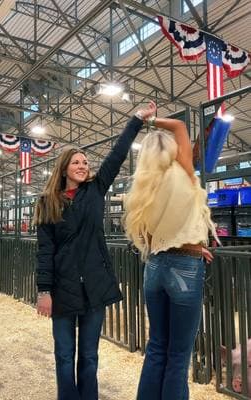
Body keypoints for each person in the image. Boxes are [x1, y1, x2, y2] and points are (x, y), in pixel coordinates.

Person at [33, 101, 157, 400]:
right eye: (76, 162)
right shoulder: (48, 202)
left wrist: (136, 120)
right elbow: (44, 251)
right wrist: (43, 291)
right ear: (64, 168)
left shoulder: (95, 189)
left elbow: (116, 155)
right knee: (64, 355)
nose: (83, 166)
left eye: (85, 162)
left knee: (88, 355)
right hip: (62, 289)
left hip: (94, 287)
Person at [123, 108, 219, 400]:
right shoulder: (184, 172)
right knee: (179, 355)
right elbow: (178, 125)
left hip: (154, 267)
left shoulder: (143, 189)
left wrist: (143, 120)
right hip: (185, 268)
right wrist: (194, 245)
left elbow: (153, 237)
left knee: (156, 347)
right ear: (175, 151)